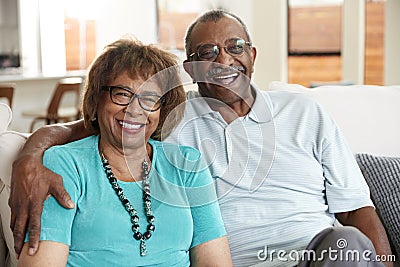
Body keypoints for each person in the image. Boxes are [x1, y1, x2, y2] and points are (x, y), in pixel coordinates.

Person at [9, 10, 393, 267]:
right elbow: (96, 126)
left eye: (235, 47)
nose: (223, 60)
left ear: (253, 55)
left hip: (318, 256)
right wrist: (30, 154)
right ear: (191, 68)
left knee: (349, 242)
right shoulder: (170, 115)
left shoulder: (304, 111)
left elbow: (357, 208)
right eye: (206, 52)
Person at [15, 38, 232, 266]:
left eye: (150, 99)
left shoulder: (187, 164)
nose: (134, 110)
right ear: (96, 99)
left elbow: (215, 261)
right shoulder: (65, 164)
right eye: (122, 94)